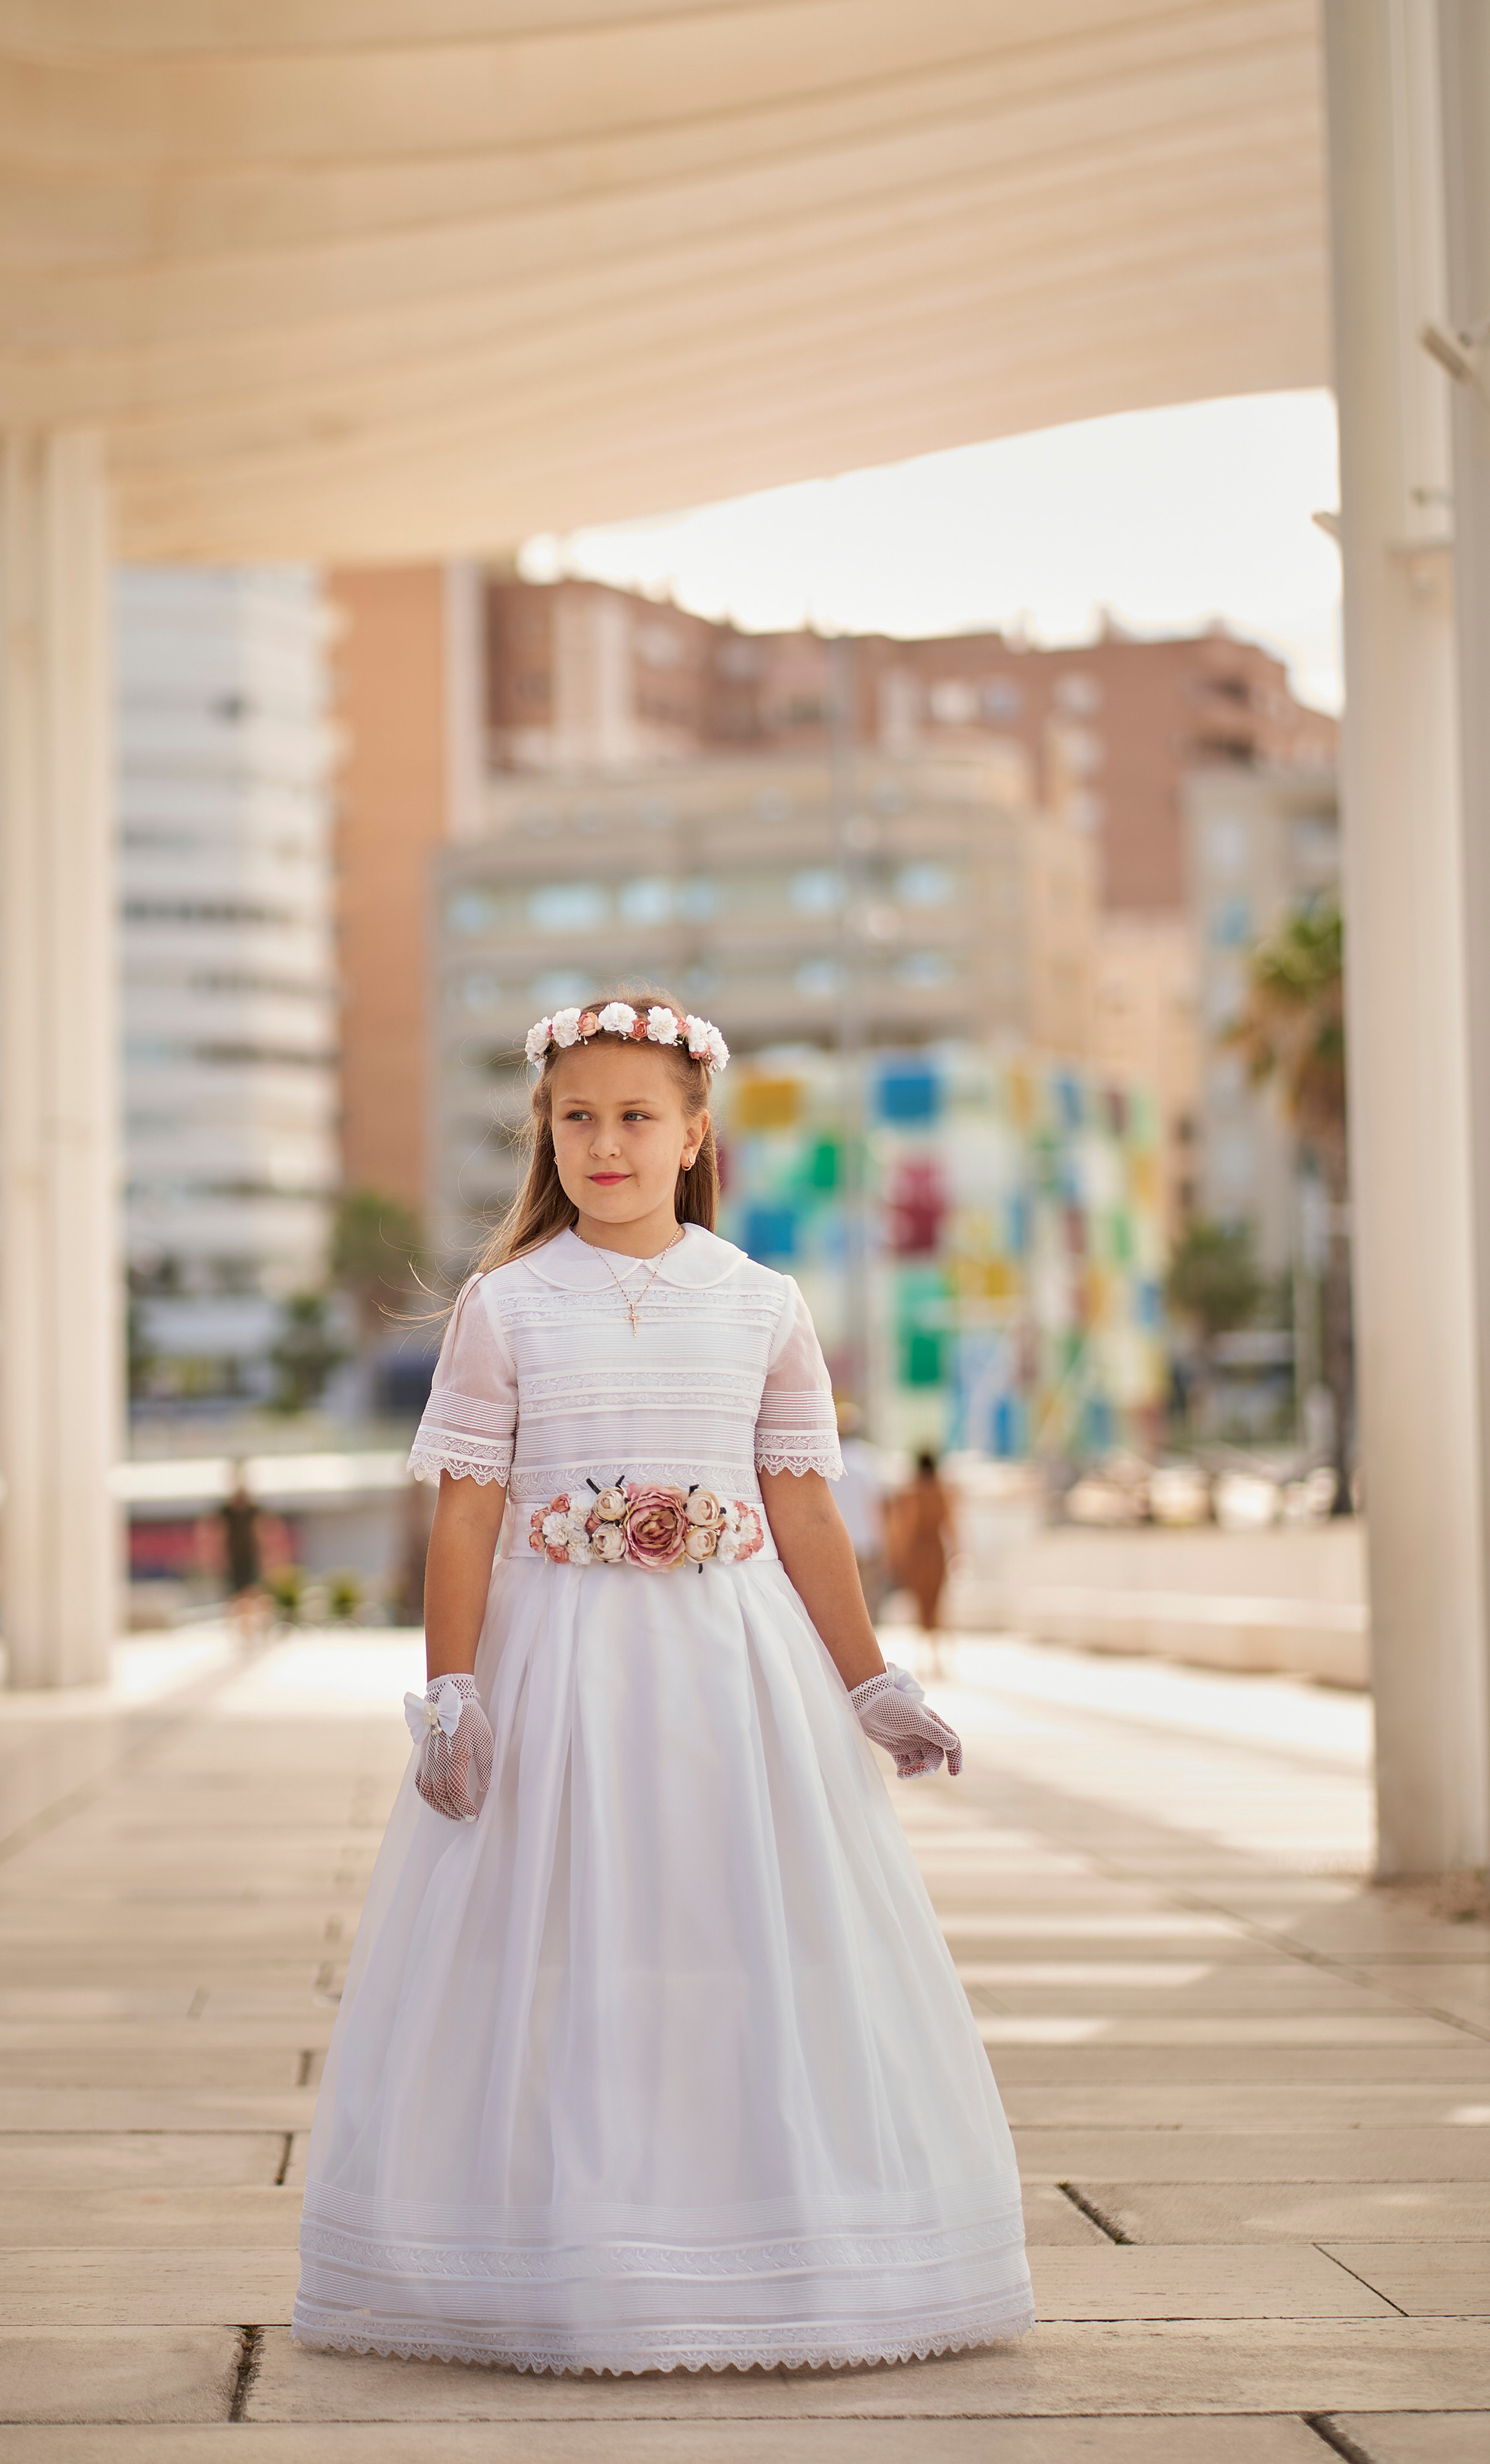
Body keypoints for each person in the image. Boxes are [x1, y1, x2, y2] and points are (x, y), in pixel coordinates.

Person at [292, 994, 1032, 2376]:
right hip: (555, 1665)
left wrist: (869, 1683)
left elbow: (803, 1511)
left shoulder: (760, 1303)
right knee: (555, 1935)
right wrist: (452, 1691)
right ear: (545, 1133)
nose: (605, 1143)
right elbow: (466, 1515)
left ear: (694, 1135)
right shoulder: (505, 1305)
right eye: (576, 1118)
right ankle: (558, 2238)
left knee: (732, 1926)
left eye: (636, 1117)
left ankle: (758, 2231)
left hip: (729, 1671)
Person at [885, 1450, 957, 1680]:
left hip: (918, 1554)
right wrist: (957, 1553)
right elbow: (952, 1526)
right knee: (936, 1602)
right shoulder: (943, 1492)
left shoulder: (911, 1493)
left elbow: (904, 1527)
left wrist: (897, 1556)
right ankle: (936, 1657)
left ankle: (925, 1656)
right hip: (936, 1551)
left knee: (920, 1602)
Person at [830, 1395, 889, 1623]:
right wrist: (882, 1541)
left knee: (837, 1603)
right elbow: (876, 1504)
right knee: (865, 1602)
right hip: (864, 1542)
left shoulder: (825, 1457)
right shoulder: (868, 1458)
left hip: (832, 1541)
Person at [218, 1463, 270, 1641]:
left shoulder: (253, 1511)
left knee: (253, 1596)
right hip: (235, 1561)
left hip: (250, 1559)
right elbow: (218, 1535)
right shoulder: (227, 1512)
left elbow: (262, 1533)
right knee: (237, 1598)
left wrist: (265, 1556)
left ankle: (254, 1629)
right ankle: (242, 1631)